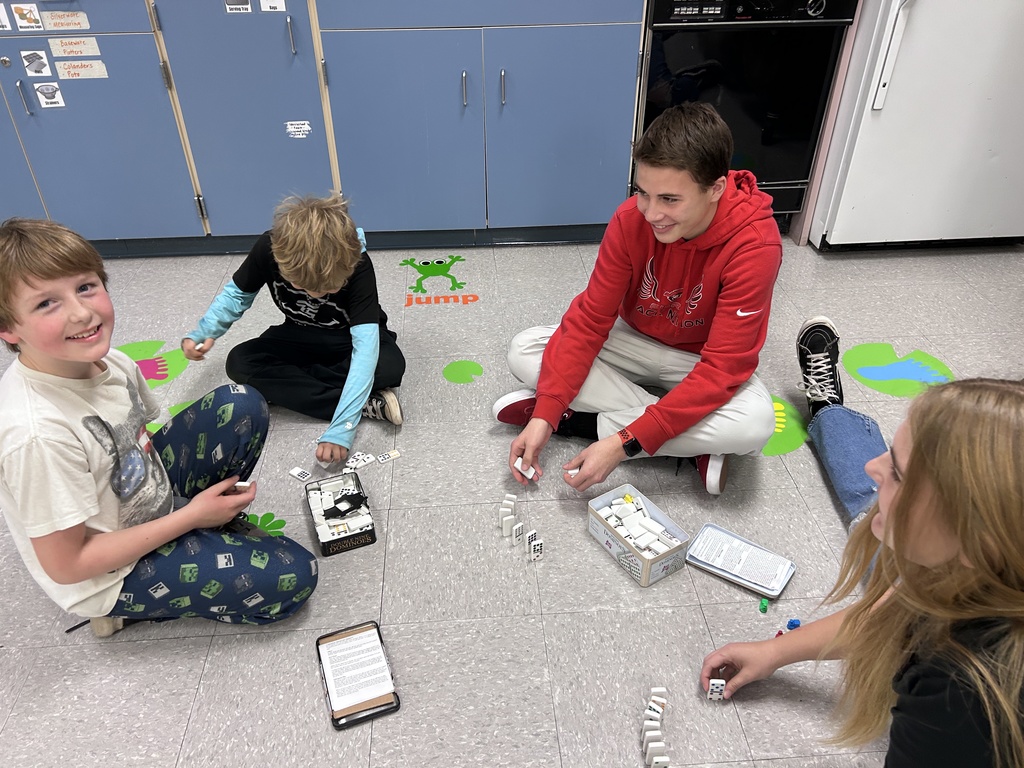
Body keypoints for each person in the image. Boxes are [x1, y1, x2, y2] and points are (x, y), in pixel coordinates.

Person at [0, 218, 318, 637]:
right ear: (8, 329)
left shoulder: (110, 361)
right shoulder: (36, 436)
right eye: (46, 303)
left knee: (242, 402)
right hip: (111, 571)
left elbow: (142, 438)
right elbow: (67, 565)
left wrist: (188, 509)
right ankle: (123, 611)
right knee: (294, 575)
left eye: (85, 287)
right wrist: (191, 518)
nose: (81, 313)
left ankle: (200, 531)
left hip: (145, 499)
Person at [701, 356, 1024, 766]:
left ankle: (832, 415)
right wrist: (772, 652)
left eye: (901, 475)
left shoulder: (958, 700)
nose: (875, 465)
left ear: (979, 541)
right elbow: (896, 610)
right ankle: (831, 413)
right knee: (870, 509)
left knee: (864, 505)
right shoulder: (973, 566)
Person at [493, 102, 782, 495]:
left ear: (715, 189)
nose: (651, 212)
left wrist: (621, 445)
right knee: (524, 349)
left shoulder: (755, 245)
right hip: (633, 339)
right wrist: (544, 415)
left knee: (756, 423)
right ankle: (688, 441)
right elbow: (590, 320)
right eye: (643, 192)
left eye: (670, 199)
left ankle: (584, 423)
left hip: (699, 361)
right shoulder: (630, 220)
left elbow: (723, 369)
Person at [182, 194, 405, 467]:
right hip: (298, 335)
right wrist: (206, 331)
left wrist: (341, 429)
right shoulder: (268, 247)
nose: (316, 294)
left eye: (329, 289)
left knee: (389, 367)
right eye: (303, 288)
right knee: (239, 363)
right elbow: (237, 295)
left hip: (347, 340)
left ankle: (300, 386)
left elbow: (366, 348)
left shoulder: (357, 263)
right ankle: (365, 402)